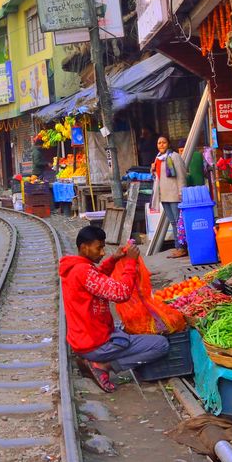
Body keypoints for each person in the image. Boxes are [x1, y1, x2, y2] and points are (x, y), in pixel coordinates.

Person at [60, 225, 168, 391]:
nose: (102, 253)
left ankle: (99, 360)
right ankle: (105, 365)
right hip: (95, 344)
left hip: (83, 341)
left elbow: (97, 278)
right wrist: (131, 263)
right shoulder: (83, 271)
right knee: (160, 344)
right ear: (84, 247)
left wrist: (114, 259)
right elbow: (121, 294)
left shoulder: (76, 268)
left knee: (125, 332)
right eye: (99, 248)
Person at [151, 135, 188, 257]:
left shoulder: (174, 157)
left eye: (163, 142)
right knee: (173, 222)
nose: (161, 145)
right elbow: (157, 178)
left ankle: (182, 248)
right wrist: (152, 169)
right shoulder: (158, 158)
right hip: (163, 195)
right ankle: (178, 247)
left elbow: (181, 175)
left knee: (179, 222)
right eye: (159, 143)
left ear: (168, 144)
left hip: (174, 195)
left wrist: (182, 192)